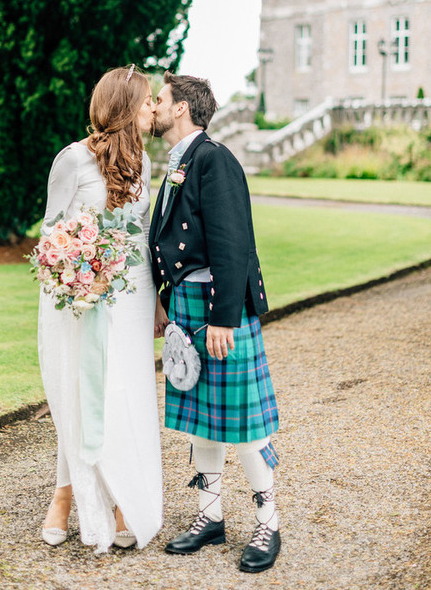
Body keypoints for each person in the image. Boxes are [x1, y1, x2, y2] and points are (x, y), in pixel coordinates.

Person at [149, 72, 281, 574]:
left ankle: (269, 520)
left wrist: (225, 316)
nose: (154, 107)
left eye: (160, 100)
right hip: (185, 304)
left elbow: (233, 241)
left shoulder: (213, 159)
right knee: (202, 419)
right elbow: (170, 246)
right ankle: (211, 517)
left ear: (181, 107)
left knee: (243, 422)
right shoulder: (180, 162)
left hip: (214, 307)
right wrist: (163, 300)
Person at [38, 65, 168, 553]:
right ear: (125, 106)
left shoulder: (145, 164)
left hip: (132, 295)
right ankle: (65, 495)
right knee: (80, 391)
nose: (154, 106)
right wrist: (77, 267)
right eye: (148, 99)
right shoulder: (72, 159)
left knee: (124, 394)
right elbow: (51, 230)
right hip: (80, 297)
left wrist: (156, 297)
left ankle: (121, 500)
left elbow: (140, 237)